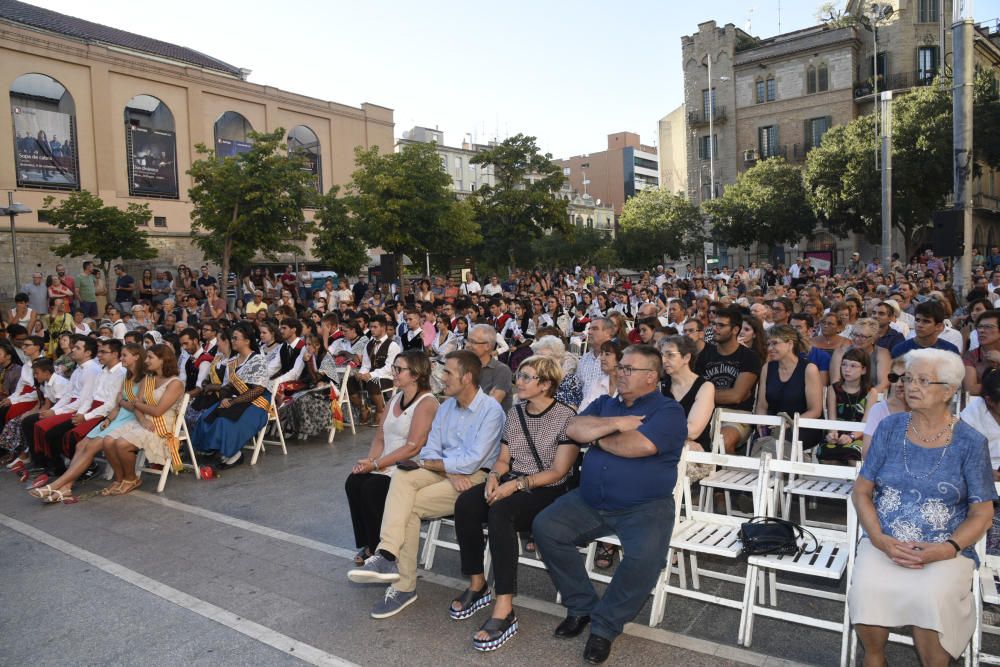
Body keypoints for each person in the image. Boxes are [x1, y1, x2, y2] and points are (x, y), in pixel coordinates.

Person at [533, 344, 686, 665]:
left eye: (630, 368)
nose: (621, 372)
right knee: (546, 528)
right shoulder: (606, 403)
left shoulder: (668, 411)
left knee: (645, 558)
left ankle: (605, 626)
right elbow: (572, 428)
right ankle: (581, 606)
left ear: (651, 377)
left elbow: (639, 445)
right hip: (589, 501)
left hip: (644, 506)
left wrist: (596, 436)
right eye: (622, 367)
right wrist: (617, 424)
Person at [850, 349, 996, 665]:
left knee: (931, 596)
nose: (910, 386)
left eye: (923, 380)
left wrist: (946, 548)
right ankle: (874, 657)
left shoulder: (971, 442)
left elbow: (982, 514)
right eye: (908, 379)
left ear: (949, 390)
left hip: (944, 548)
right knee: (867, 586)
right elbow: (861, 491)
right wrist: (878, 539)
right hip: (884, 539)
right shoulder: (889, 429)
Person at [347, 350, 503, 620]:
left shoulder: (491, 411)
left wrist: (449, 468)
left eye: (447, 373)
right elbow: (429, 450)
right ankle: (386, 554)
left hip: (475, 478)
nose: (441, 377)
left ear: (466, 377)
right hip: (443, 471)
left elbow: (471, 463)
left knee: (407, 506)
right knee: (403, 477)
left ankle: (403, 584)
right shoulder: (447, 407)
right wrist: (449, 469)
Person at [452, 356, 577, 651]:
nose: (518, 382)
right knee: (468, 503)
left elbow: (558, 472)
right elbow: (505, 458)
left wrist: (515, 485)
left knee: (501, 512)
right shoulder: (516, 413)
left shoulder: (566, 417)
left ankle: (505, 607)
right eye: (518, 376)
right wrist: (495, 476)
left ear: (546, 384)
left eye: (526, 377)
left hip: (549, 489)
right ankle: (477, 583)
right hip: (514, 481)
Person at [344, 350, 438, 565]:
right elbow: (380, 436)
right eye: (394, 368)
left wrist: (377, 464)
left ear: (415, 375)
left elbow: (413, 447)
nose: (394, 373)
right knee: (354, 481)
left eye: (399, 369)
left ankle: (383, 549)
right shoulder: (395, 398)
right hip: (385, 463)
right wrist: (370, 462)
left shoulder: (427, 403)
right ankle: (369, 542)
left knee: (372, 489)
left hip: (409, 466)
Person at [29, 343, 145, 501]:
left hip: (127, 418)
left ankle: (57, 484)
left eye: (124, 355)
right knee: (80, 445)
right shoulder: (126, 375)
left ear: (136, 357)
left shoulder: (138, 376)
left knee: (88, 447)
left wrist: (111, 411)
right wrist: (109, 417)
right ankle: (66, 487)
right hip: (115, 415)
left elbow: (128, 403)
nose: (121, 358)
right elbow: (114, 402)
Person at [192, 323, 271, 468]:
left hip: (256, 400)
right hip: (234, 398)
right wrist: (224, 399)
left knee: (225, 421)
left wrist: (233, 402)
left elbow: (258, 389)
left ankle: (234, 454)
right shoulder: (232, 362)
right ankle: (212, 448)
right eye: (232, 338)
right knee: (206, 417)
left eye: (236, 338)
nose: (232, 341)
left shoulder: (257, 359)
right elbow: (226, 386)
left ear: (247, 341)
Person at [696, 308, 761, 453]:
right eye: (713, 324)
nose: (715, 329)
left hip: (737, 415)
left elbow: (736, 396)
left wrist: (703, 395)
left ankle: (726, 474)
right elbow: (693, 389)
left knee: (723, 441)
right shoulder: (704, 355)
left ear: (735, 330)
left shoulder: (749, 357)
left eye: (721, 325)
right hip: (705, 412)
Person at [754, 325, 823, 451]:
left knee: (780, 442)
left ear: (790, 344)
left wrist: (788, 424)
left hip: (803, 424)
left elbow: (815, 410)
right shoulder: (767, 368)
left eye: (774, 343)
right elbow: (762, 405)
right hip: (774, 424)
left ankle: (775, 471)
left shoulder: (809, 369)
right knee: (759, 441)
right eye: (768, 344)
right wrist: (761, 423)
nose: (770, 348)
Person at [819, 347, 879, 464]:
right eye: (844, 365)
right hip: (837, 433)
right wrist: (832, 434)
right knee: (827, 454)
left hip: (859, 435)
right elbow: (832, 418)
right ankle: (831, 482)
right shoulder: (833, 389)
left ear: (864, 370)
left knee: (853, 456)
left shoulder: (871, 392)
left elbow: (865, 423)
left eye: (853, 366)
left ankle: (856, 482)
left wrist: (851, 436)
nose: (847, 369)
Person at [658, 335, 714, 453]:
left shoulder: (705, 387)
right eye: (662, 355)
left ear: (686, 357)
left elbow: (693, 431)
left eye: (670, 355)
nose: (663, 360)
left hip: (695, 454)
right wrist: (682, 441)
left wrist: (657, 430)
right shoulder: (659, 387)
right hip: (665, 448)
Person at [862, 358, 909, 458]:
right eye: (894, 377)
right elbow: (866, 453)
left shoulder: (925, 411)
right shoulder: (878, 410)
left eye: (905, 378)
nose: (899, 384)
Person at [830, 318, 891, 392]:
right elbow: (836, 382)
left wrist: (867, 398)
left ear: (873, 339)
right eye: (855, 335)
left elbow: (884, 383)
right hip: (845, 397)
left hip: (873, 396)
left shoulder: (882, 353)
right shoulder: (840, 352)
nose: (857, 339)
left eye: (863, 336)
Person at [466, 323, 513, 412]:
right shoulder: (464, 368)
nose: (468, 345)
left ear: (487, 346)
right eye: (468, 341)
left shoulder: (501, 370)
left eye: (473, 342)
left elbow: (492, 405)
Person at [891, 300, 960, 358]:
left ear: (938, 326)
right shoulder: (900, 350)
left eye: (926, 321)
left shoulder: (950, 351)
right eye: (917, 320)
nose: (919, 325)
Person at [530, 335, 583, 408]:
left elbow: (570, 411)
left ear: (558, 359)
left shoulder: (571, 381)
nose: (540, 361)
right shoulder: (533, 377)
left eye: (544, 357)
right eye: (538, 357)